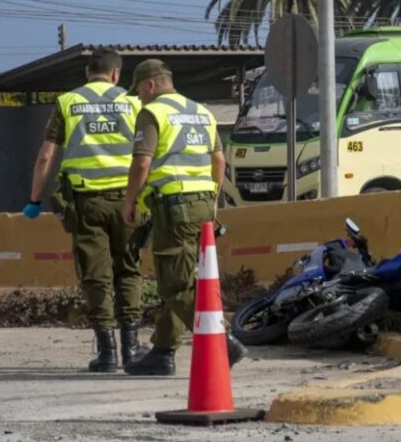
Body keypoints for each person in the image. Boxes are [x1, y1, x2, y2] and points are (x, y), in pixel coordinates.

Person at [22, 47, 149, 373]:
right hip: (128, 201)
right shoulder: (133, 103)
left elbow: (46, 156)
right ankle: (132, 349)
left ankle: (107, 354)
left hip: (86, 203)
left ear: (87, 73)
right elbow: (148, 155)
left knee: (95, 276)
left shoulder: (68, 103)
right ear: (116, 74)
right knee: (129, 270)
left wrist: (35, 200)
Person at [120, 59, 247, 376]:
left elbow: (141, 164)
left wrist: (130, 201)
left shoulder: (153, 113)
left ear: (150, 84)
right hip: (204, 203)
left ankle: (223, 341)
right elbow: (219, 160)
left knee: (175, 286)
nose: (139, 98)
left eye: (139, 91)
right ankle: (163, 352)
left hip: (174, 206)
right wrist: (214, 198)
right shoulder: (201, 111)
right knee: (189, 280)